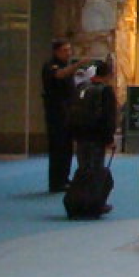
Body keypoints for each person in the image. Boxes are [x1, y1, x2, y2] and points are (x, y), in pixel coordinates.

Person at [67, 60, 120, 216]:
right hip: (97, 137)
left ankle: (79, 201)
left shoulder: (81, 88)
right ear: (108, 75)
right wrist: (109, 138)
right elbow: (108, 118)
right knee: (96, 170)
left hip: (81, 136)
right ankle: (93, 203)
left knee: (83, 169)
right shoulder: (105, 91)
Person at [40, 39, 84, 192]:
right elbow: (59, 75)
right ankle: (56, 182)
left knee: (66, 147)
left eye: (69, 50)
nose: (68, 53)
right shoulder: (51, 65)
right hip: (55, 113)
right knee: (58, 147)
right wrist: (78, 65)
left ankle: (64, 178)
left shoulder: (66, 66)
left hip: (67, 111)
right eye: (65, 50)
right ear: (57, 51)